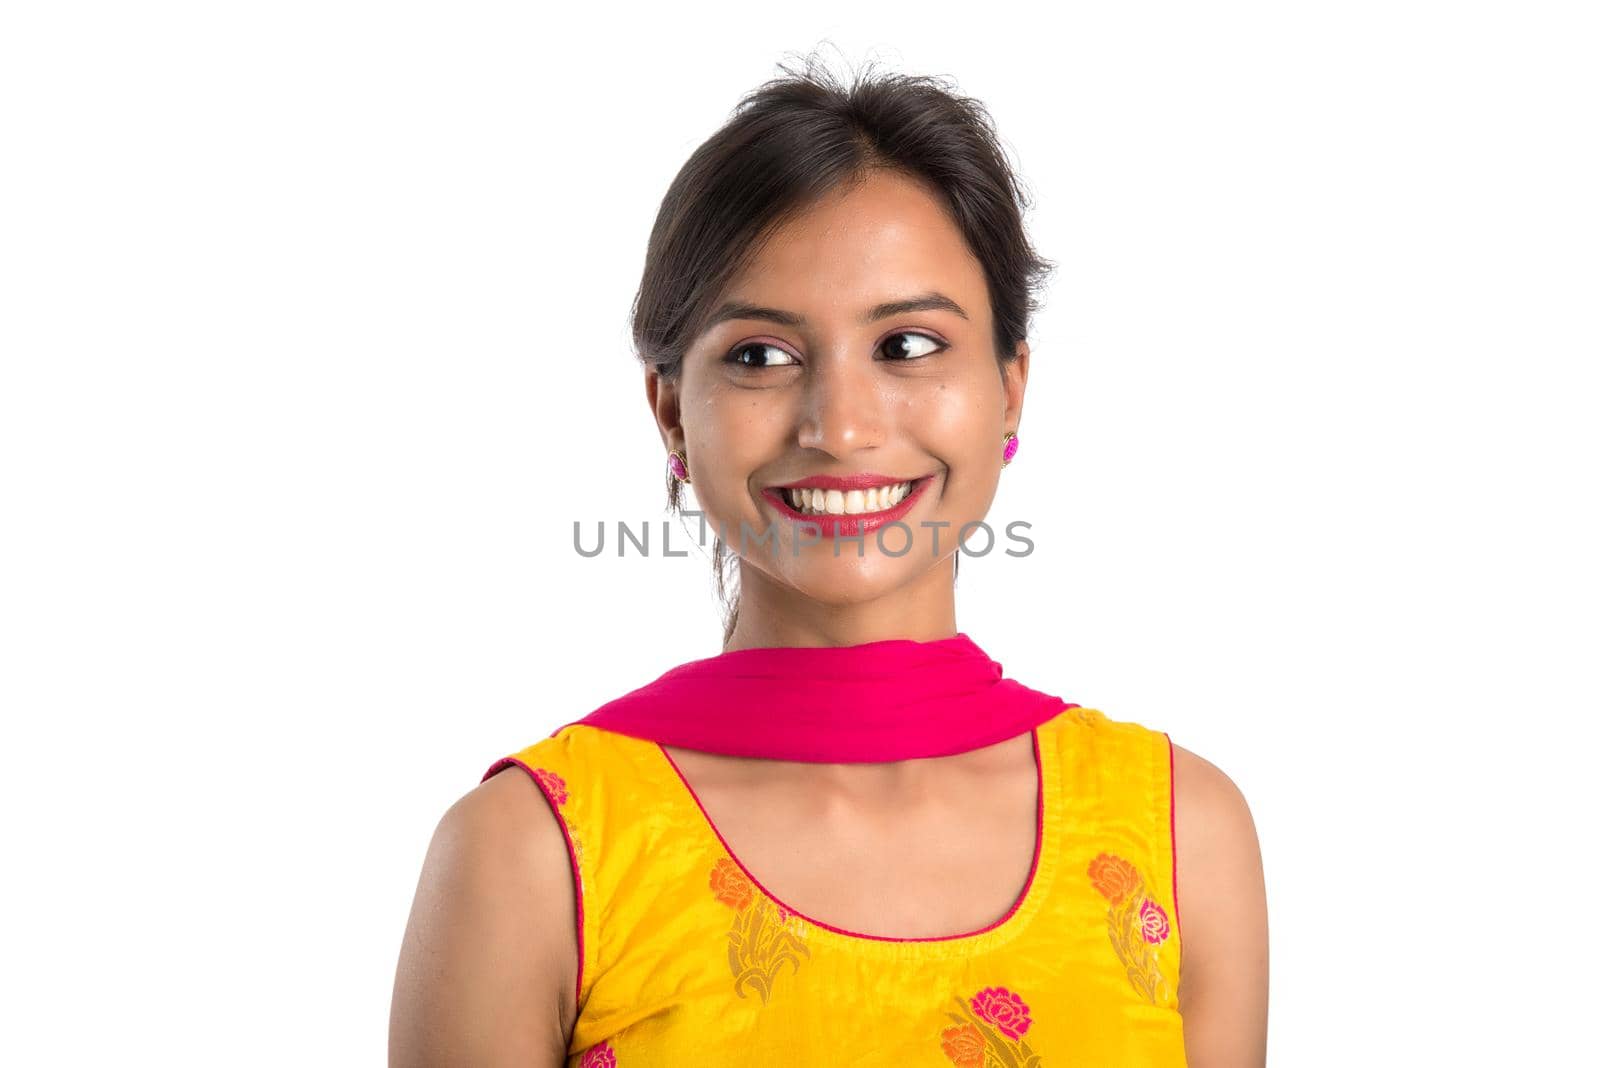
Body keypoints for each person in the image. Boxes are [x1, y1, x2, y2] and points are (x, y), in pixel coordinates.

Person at [390, 55, 1268, 1067]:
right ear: (672, 411)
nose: (841, 429)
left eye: (906, 346)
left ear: (1010, 387)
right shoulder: (529, 856)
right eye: (761, 355)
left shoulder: (1178, 835)